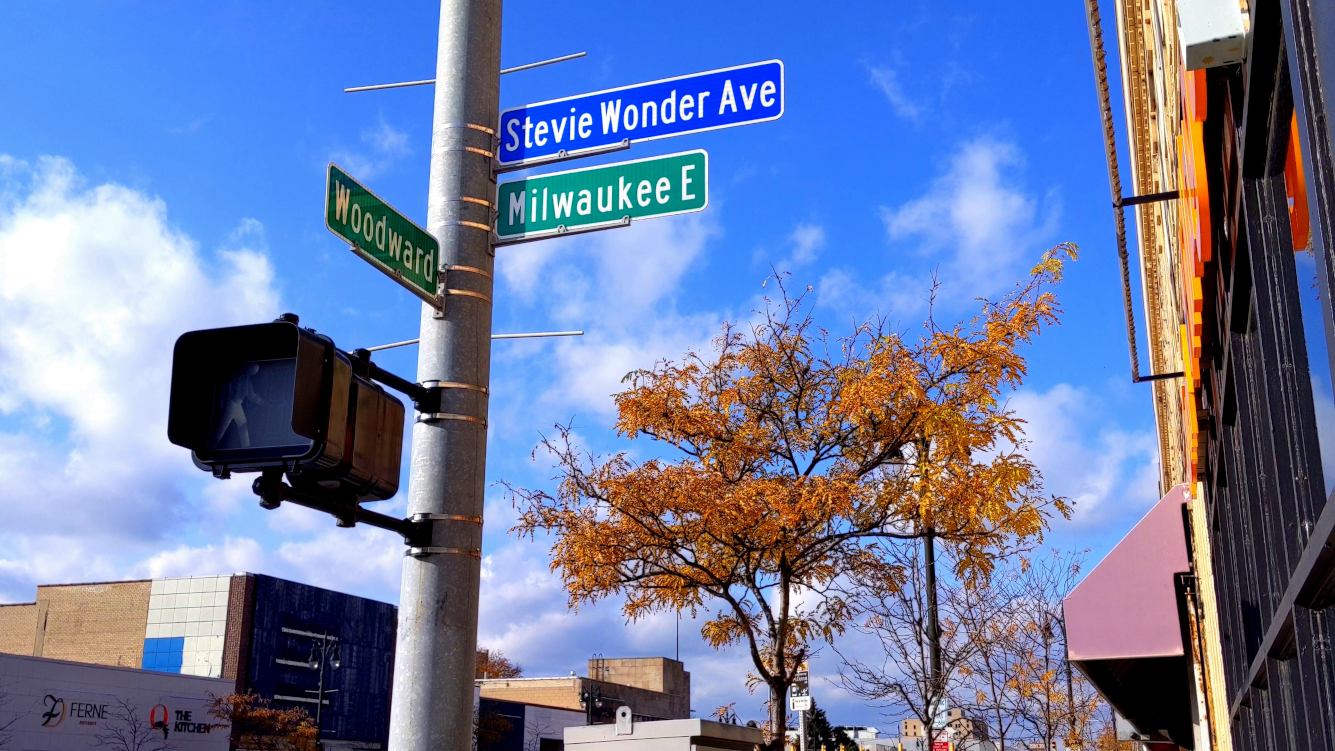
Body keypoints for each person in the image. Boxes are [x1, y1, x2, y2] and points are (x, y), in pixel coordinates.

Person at [212, 362, 264, 448]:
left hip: (237, 404)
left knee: (242, 424)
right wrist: (220, 403)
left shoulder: (247, 381)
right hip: (232, 403)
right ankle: (213, 445)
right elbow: (224, 387)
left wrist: (261, 402)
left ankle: (246, 446)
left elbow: (251, 395)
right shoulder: (237, 378)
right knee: (224, 425)